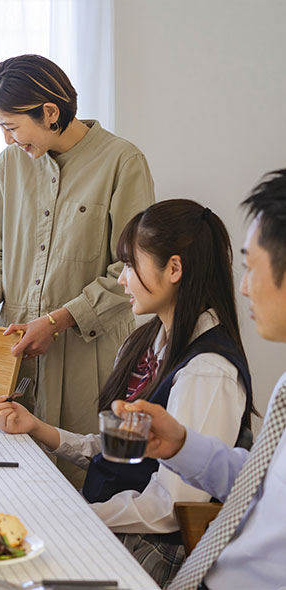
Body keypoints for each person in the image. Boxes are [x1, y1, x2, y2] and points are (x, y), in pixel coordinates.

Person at [0, 200, 254, 586]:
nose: (122, 279)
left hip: (152, 552)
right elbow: (122, 454)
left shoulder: (208, 371)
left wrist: (76, 513)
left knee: (5, 566)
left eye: (131, 265)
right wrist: (38, 429)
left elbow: (172, 506)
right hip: (116, 527)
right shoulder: (147, 343)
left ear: (174, 269)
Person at [0, 54, 156, 485]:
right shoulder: (8, 166)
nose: (8, 141)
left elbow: (132, 271)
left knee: (84, 479)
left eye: (12, 126)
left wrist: (56, 321)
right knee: (11, 476)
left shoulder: (123, 162)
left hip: (93, 357)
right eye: (1, 128)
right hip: (17, 356)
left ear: (50, 112)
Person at [112, 169, 286, 590]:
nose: (243, 287)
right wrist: (184, 446)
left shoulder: (209, 367)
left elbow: (170, 508)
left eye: (251, 267)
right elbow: (261, 481)